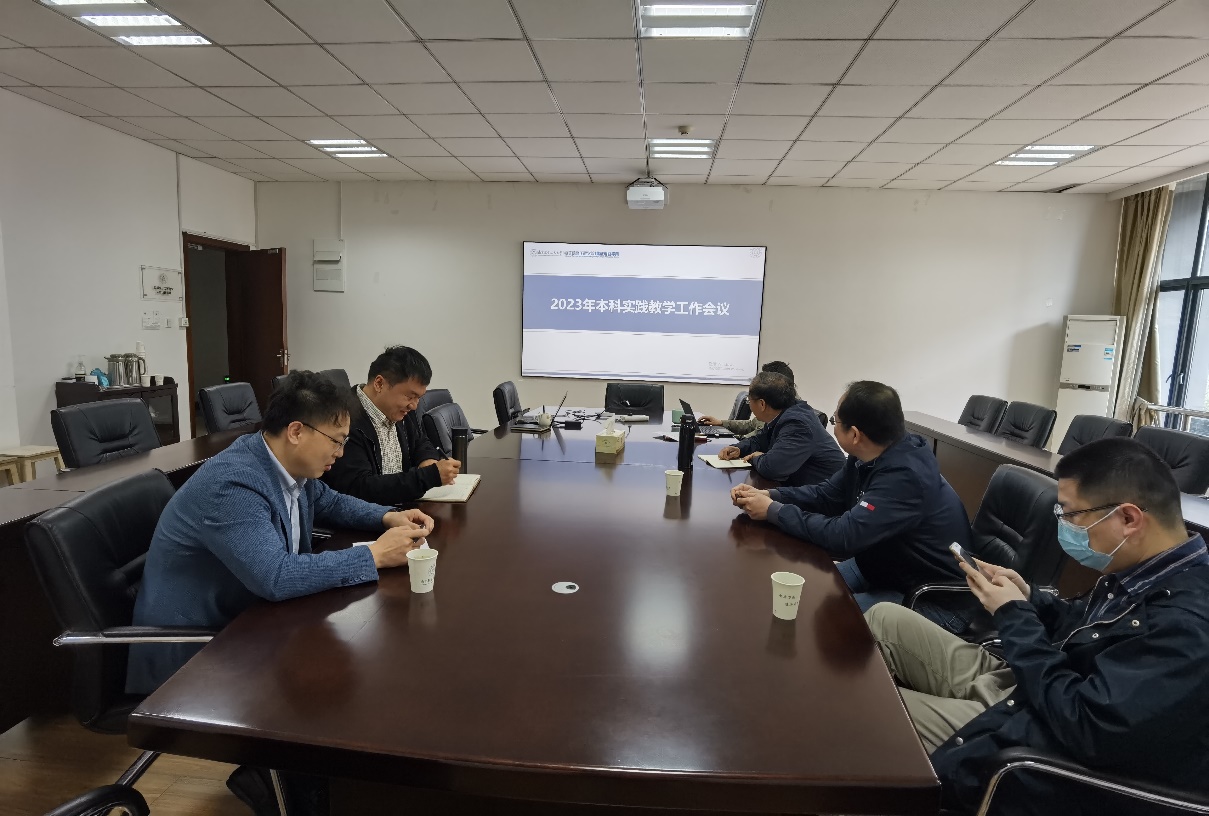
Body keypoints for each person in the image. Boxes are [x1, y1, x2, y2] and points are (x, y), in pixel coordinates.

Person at [865, 437, 1209, 814]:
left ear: (1128, 518)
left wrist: (1014, 615)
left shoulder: (1186, 626)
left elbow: (1084, 724)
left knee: (864, 706)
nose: (1064, 525)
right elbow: (1083, 628)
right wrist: (1029, 597)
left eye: (1071, 514)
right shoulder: (1145, 569)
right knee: (885, 617)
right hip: (1034, 685)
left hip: (1034, 730)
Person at [128, 370, 433, 695]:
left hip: (253, 622)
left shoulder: (282, 461)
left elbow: (330, 502)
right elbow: (276, 576)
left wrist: (388, 516)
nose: (341, 453)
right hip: (193, 659)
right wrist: (374, 555)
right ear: (296, 432)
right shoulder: (232, 484)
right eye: (336, 440)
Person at [731, 381, 969, 620]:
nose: (833, 426)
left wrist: (774, 511)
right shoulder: (869, 454)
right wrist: (772, 495)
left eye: (835, 421)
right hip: (882, 565)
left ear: (855, 434)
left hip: (930, 598)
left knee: (824, 616)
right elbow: (826, 494)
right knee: (802, 593)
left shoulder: (904, 477)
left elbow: (843, 535)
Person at [323, 345, 460, 505]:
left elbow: (420, 441)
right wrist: (427, 477)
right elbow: (359, 489)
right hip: (372, 515)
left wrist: (428, 460)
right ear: (379, 384)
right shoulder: (345, 420)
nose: (414, 406)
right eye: (410, 396)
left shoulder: (400, 411)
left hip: (402, 507)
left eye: (418, 398)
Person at [716, 371, 844, 487]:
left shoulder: (797, 423)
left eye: (750, 401)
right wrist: (739, 448)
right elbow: (760, 439)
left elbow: (772, 468)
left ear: (762, 404)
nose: (749, 405)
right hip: (802, 488)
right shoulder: (782, 413)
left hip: (824, 496)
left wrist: (756, 458)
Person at [701, 360, 796, 439]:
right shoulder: (773, 406)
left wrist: (734, 441)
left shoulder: (792, 420)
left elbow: (757, 439)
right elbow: (752, 425)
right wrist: (721, 423)